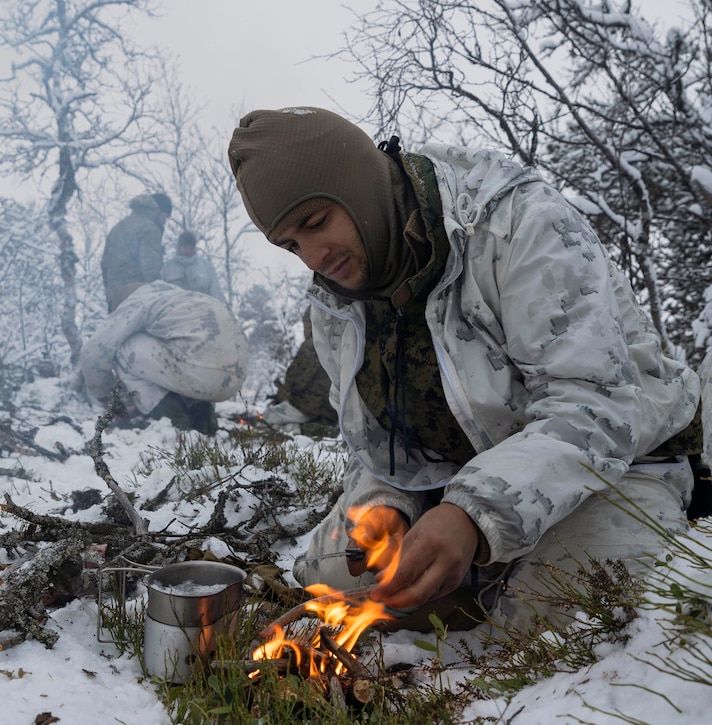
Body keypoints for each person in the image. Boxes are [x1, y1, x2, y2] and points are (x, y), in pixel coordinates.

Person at [227, 107, 704, 630]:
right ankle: (468, 588)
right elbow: (376, 443)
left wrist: (474, 514)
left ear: (360, 187)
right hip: (453, 484)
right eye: (292, 244)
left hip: (615, 468)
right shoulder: (339, 306)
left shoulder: (516, 223)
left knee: (558, 616)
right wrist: (385, 505)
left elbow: (595, 406)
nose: (314, 257)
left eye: (317, 223)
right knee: (328, 576)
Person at [75, 280, 248, 434]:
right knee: (180, 348)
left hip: (200, 372)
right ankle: (202, 418)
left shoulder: (136, 302)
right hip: (235, 378)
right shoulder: (177, 297)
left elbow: (94, 351)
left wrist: (106, 397)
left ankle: (173, 419)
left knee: (124, 347)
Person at [101, 193, 172, 312]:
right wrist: (158, 298)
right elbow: (150, 267)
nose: (165, 221)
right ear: (158, 211)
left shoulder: (118, 228)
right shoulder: (150, 228)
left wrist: (111, 293)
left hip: (115, 297)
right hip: (138, 297)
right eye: (166, 216)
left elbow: (104, 264)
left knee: (119, 330)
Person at [162, 231, 226, 302]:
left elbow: (216, 293)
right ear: (179, 248)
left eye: (191, 248)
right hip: (175, 310)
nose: (189, 251)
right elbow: (162, 294)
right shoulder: (168, 268)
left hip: (203, 309)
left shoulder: (206, 267)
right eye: (185, 248)